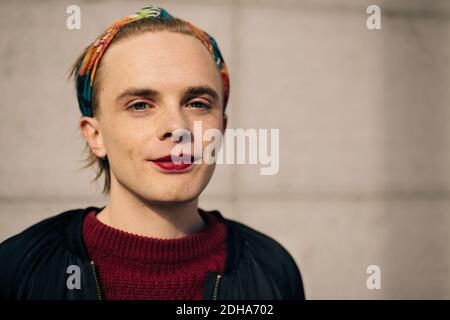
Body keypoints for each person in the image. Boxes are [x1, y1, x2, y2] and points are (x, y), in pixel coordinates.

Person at [0, 5, 305, 300]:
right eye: (140, 105)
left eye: (197, 103)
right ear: (95, 135)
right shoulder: (17, 268)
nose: (177, 127)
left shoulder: (273, 267)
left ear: (221, 130)